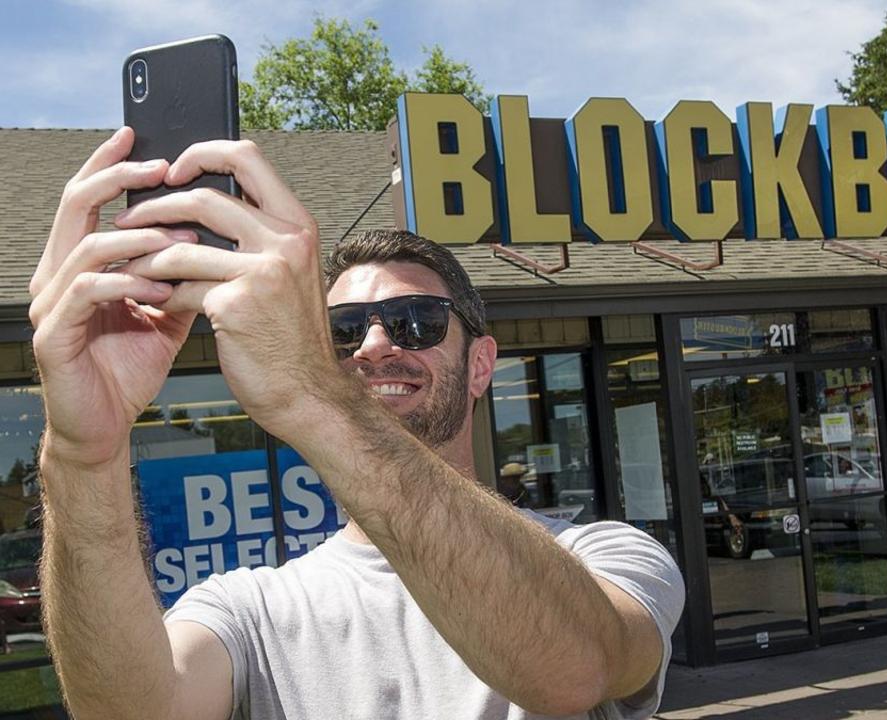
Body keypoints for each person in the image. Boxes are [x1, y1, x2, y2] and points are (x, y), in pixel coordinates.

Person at [28, 127, 685, 719]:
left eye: (414, 322)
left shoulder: (603, 558)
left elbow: (570, 671)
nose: (373, 346)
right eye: (341, 332)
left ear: (482, 364)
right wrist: (87, 453)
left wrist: (312, 393)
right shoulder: (251, 608)